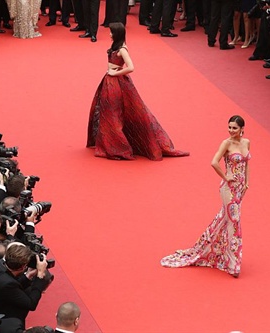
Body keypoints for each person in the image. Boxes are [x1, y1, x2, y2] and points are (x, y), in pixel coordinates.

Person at [161, 115, 250, 278]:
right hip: (228, 189)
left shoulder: (246, 143)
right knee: (234, 222)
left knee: (225, 220)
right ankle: (233, 264)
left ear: (242, 129)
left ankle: (210, 249)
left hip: (239, 189)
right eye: (229, 127)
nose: (231, 131)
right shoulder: (226, 144)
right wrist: (225, 177)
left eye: (234, 128)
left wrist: (247, 183)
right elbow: (214, 162)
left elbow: (247, 163)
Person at [86, 23, 189, 161]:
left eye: (112, 32)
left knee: (113, 114)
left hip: (116, 83)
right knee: (109, 113)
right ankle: (111, 145)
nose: (110, 34)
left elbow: (131, 67)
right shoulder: (116, 46)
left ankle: (118, 148)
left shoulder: (123, 49)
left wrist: (116, 73)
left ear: (118, 34)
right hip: (109, 82)